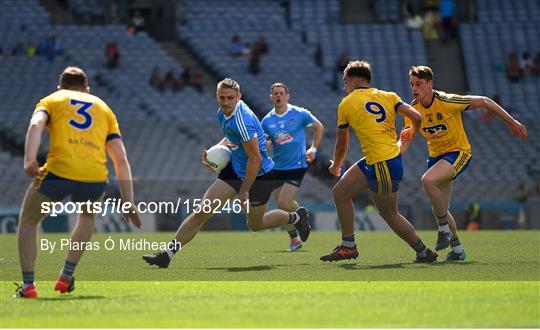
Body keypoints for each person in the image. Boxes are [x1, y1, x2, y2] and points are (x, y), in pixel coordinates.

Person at [142, 78, 310, 269]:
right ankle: (167, 255)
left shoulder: (243, 120)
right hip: (234, 169)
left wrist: (244, 191)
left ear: (239, 97)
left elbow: (255, 159)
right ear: (217, 96)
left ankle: (296, 217)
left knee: (256, 224)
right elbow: (230, 137)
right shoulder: (222, 113)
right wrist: (214, 155)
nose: (226, 102)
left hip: (258, 176)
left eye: (230, 98)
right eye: (222, 97)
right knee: (201, 212)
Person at [14, 67, 140, 298]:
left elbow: (35, 126)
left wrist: (30, 160)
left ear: (60, 87)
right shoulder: (103, 107)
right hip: (93, 176)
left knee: (29, 221)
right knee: (87, 217)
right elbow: (120, 159)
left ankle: (28, 286)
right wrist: (128, 200)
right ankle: (66, 276)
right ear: (87, 89)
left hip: (59, 171)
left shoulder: (52, 100)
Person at [400, 65, 527, 261]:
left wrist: (512, 122)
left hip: (458, 153)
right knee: (440, 209)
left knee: (427, 181)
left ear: (430, 84)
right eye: (411, 84)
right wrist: (394, 150)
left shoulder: (447, 100)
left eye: (418, 84)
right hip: (436, 158)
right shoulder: (412, 110)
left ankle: (443, 230)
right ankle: (458, 250)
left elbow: (485, 101)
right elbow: (406, 141)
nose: (414, 88)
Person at [320, 60, 437, 263]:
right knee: (340, 192)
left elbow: (342, 146)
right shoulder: (388, 96)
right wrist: (411, 131)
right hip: (377, 159)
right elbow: (417, 117)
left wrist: (336, 165)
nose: (344, 86)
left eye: (345, 81)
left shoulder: (347, 103)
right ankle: (348, 246)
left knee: (390, 214)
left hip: (382, 163)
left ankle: (423, 252)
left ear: (355, 82)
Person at [261, 82, 324, 251]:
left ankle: (299, 218)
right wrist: (266, 145)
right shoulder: (267, 120)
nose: (278, 96)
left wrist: (314, 148)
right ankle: (295, 238)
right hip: (277, 166)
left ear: (287, 96)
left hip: (297, 165)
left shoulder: (300, 113)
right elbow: (263, 141)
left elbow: (319, 127)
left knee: (283, 201)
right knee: (281, 205)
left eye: (281, 93)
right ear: (271, 97)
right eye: (275, 93)